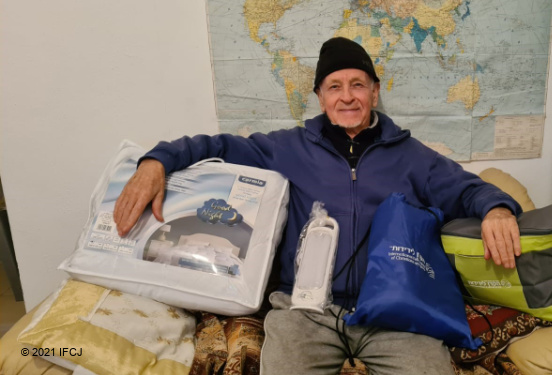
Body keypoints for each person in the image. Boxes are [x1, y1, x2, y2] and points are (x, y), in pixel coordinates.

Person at [114, 37, 522, 375]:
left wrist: (497, 209)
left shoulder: (413, 156)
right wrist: (156, 161)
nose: (347, 97)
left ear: (375, 92)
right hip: (304, 310)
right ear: (320, 96)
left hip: (392, 313)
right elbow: (215, 146)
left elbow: (467, 189)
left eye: (358, 85)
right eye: (335, 86)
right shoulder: (286, 148)